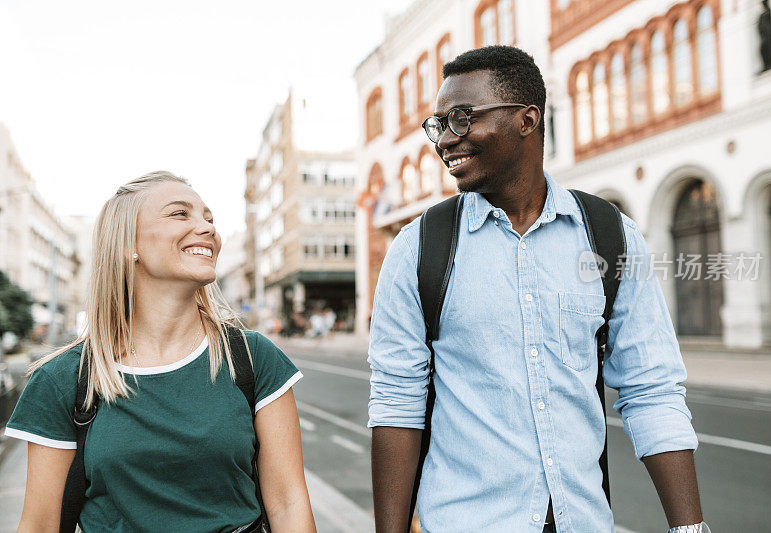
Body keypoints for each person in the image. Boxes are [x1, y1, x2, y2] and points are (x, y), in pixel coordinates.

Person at [368, 47, 708, 533]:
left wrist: (689, 528)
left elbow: (651, 387)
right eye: (437, 124)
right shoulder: (418, 249)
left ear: (527, 119)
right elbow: (396, 403)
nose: (444, 140)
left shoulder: (610, 236)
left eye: (461, 119)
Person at [5, 172, 316, 532]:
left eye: (209, 218)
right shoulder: (63, 380)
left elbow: (289, 502)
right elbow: (40, 524)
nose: (207, 229)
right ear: (127, 244)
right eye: (180, 214)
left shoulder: (253, 358)